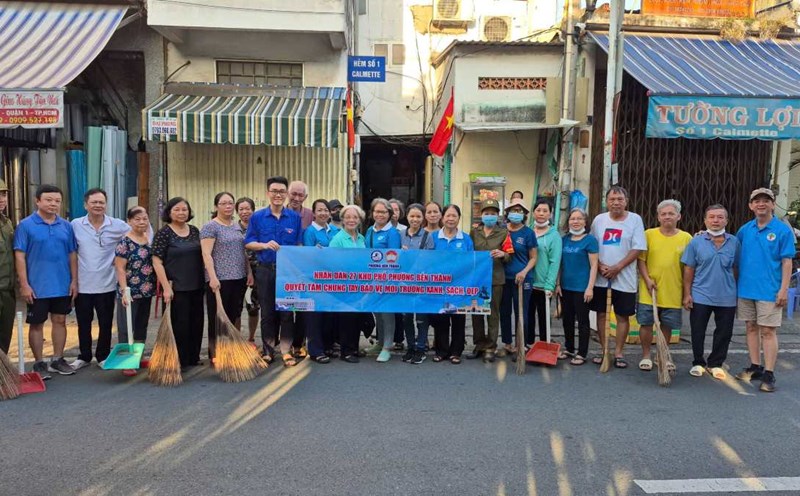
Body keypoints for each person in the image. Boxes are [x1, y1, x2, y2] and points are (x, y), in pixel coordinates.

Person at [13, 184, 77, 378]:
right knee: (37, 324)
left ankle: (57, 359)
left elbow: (72, 255)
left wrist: (74, 281)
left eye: (57, 201)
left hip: (62, 283)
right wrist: (24, 284)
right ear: (38, 200)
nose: (53, 204)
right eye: (48, 200)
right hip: (37, 285)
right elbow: (19, 256)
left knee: (60, 320)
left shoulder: (66, 226)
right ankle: (39, 363)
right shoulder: (25, 225)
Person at [734, 188, 794, 392]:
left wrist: (784, 290)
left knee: (768, 331)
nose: (761, 204)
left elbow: (787, 262)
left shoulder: (782, 230)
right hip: (746, 288)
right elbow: (732, 250)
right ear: (751, 205)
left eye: (766, 201)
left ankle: (769, 373)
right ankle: (755, 366)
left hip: (770, 290)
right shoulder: (745, 230)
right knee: (751, 327)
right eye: (757, 201)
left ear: (773, 204)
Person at [70, 188, 132, 371]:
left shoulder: (117, 225)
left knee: (105, 322)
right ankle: (84, 356)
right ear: (85, 205)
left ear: (106, 204)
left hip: (106, 283)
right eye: (94, 202)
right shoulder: (75, 224)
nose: (98, 206)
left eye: (101, 202)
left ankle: (103, 355)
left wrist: (123, 260)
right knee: (83, 322)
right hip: (82, 283)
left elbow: (141, 234)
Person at [245, 176, 302, 366]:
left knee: (287, 312)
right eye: (274, 191)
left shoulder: (294, 218)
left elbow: (299, 245)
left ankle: (286, 351)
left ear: (286, 195)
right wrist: (264, 245)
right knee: (267, 312)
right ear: (268, 193)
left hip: (287, 272)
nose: (278, 195)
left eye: (281, 191)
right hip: (265, 270)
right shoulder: (257, 217)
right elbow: (249, 243)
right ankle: (268, 351)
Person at [589, 186, 646, 369]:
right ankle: (604, 349)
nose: (616, 202)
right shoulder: (599, 220)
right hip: (601, 276)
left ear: (626, 201)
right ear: (607, 201)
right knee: (602, 314)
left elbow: (637, 248)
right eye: (612, 199)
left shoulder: (635, 220)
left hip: (625, 278)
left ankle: (619, 352)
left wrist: (617, 267)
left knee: (623, 315)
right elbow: (591, 245)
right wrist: (600, 266)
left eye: (620, 199)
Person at [681, 205, 739, 380]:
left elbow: (736, 268)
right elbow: (689, 268)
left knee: (724, 332)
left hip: (727, 296)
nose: (716, 220)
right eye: (712, 217)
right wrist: (687, 293)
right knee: (698, 330)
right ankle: (698, 362)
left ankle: (715, 363)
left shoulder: (734, 242)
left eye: (720, 217)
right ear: (705, 220)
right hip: (700, 294)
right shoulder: (696, 242)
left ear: (726, 221)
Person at [636, 199, 692, 373]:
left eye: (671, 213)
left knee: (666, 325)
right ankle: (646, 355)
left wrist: (686, 293)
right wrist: (647, 279)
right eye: (664, 214)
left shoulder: (686, 238)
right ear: (658, 217)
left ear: (679, 216)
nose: (667, 216)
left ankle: (662, 354)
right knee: (646, 324)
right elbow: (641, 261)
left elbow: (689, 268)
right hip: (650, 289)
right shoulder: (648, 234)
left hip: (673, 290)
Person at [152, 197, 204, 369]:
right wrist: (166, 288)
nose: (181, 213)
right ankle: (179, 360)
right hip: (177, 287)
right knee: (180, 325)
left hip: (197, 285)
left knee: (196, 323)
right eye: (177, 209)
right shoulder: (164, 233)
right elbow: (156, 262)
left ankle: (192, 357)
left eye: (184, 209)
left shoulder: (195, 231)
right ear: (169, 212)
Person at [201, 192, 251, 365]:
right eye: (224, 203)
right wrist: (212, 278)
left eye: (230, 203)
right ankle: (215, 353)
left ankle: (229, 350)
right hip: (219, 279)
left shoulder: (236, 226)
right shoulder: (210, 227)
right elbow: (206, 254)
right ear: (216, 207)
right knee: (217, 318)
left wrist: (249, 273)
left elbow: (243, 252)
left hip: (238, 278)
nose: (228, 206)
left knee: (233, 315)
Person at [114, 206, 155, 377]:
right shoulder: (125, 241)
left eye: (144, 218)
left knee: (141, 326)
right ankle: (125, 361)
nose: (141, 222)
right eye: (137, 219)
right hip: (129, 291)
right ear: (129, 221)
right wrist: (124, 291)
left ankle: (137, 357)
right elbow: (120, 268)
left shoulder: (148, 238)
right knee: (125, 327)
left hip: (146, 290)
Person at [467, 199, 510, 363]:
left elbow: (509, 255)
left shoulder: (504, 233)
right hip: (477, 279)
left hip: (495, 278)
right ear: (481, 215)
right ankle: (479, 344)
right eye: (487, 213)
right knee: (476, 312)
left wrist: (503, 255)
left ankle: (491, 346)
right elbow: (468, 253)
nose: (489, 216)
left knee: (492, 313)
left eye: (493, 214)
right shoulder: (474, 232)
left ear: (498, 216)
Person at [431, 204, 474, 364]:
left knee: (458, 319)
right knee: (441, 319)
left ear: (458, 218)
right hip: (439, 286)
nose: (450, 219)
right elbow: (427, 260)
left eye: (454, 216)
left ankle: (456, 351)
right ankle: (441, 351)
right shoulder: (434, 237)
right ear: (442, 218)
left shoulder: (466, 238)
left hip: (459, 286)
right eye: (448, 215)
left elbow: (472, 262)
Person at [557, 208, 598, 365]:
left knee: (582, 321)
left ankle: (582, 353)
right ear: (568, 222)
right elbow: (560, 264)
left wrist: (590, 287)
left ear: (585, 222)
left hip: (582, 288)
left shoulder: (590, 240)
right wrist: (558, 284)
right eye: (572, 219)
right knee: (567, 319)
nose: (575, 221)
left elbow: (594, 265)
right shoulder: (564, 240)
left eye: (579, 218)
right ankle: (569, 348)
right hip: (565, 287)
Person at [499, 198, 538, 358]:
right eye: (513, 210)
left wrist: (524, 272)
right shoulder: (501, 230)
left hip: (522, 279)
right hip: (503, 278)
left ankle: (520, 345)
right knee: (504, 311)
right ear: (507, 213)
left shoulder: (528, 233)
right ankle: (507, 344)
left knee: (522, 312)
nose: (516, 213)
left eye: (519, 211)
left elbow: (534, 257)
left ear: (524, 214)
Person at [365, 198, 402, 362]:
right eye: (377, 211)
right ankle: (379, 343)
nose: (380, 215)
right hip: (371, 278)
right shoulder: (369, 231)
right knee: (377, 312)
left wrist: (385, 278)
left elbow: (394, 258)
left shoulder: (393, 233)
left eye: (383, 212)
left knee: (387, 313)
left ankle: (387, 346)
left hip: (387, 279)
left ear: (389, 214)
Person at [329, 204, 367, 363]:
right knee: (346, 319)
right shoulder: (337, 239)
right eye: (348, 217)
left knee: (356, 318)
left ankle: (354, 348)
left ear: (360, 220)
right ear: (343, 219)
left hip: (359, 285)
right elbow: (331, 262)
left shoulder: (361, 238)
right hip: (344, 285)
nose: (351, 220)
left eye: (355, 217)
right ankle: (346, 351)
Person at [303, 199, 340, 363]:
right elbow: (308, 256)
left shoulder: (335, 231)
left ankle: (328, 346)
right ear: (314, 213)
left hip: (332, 280)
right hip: (315, 280)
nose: (323, 213)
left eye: (326, 210)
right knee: (315, 315)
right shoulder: (309, 231)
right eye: (320, 210)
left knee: (329, 315)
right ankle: (316, 350)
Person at [400, 203, 436, 364]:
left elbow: (431, 261)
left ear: (423, 218)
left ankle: (421, 348)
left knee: (421, 318)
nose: (415, 219)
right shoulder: (400, 235)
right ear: (407, 217)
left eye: (418, 216)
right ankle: (410, 347)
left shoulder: (428, 237)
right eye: (412, 216)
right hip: (404, 283)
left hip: (421, 284)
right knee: (406, 317)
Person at [529, 199, 562, 347]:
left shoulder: (554, 235)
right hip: (528, 282)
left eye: (545, 211)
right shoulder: (528, 231)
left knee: (544, 317)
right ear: (533, 212)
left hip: (543, 285)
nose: (541, 213)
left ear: (550, 214)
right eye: (538, 210)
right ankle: (528, 344)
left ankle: (544, 344)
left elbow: (555, 262)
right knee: (528, 316)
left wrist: (550, 284)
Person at [236, 197, 259, 342]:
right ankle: (237, 339)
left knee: (253, 306)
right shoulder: (232, 228)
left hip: (257, 271)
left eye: (247, 209)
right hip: (237, 272)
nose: (245, 212)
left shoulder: (258, 227)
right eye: (241, 209)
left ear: (253, 210)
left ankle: (251, 339)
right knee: (236, 308)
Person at [0, 180, 14, 354]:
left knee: (4, 339)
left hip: (8, 293)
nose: (1, 199)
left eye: (3, 194)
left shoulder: (7, 224)